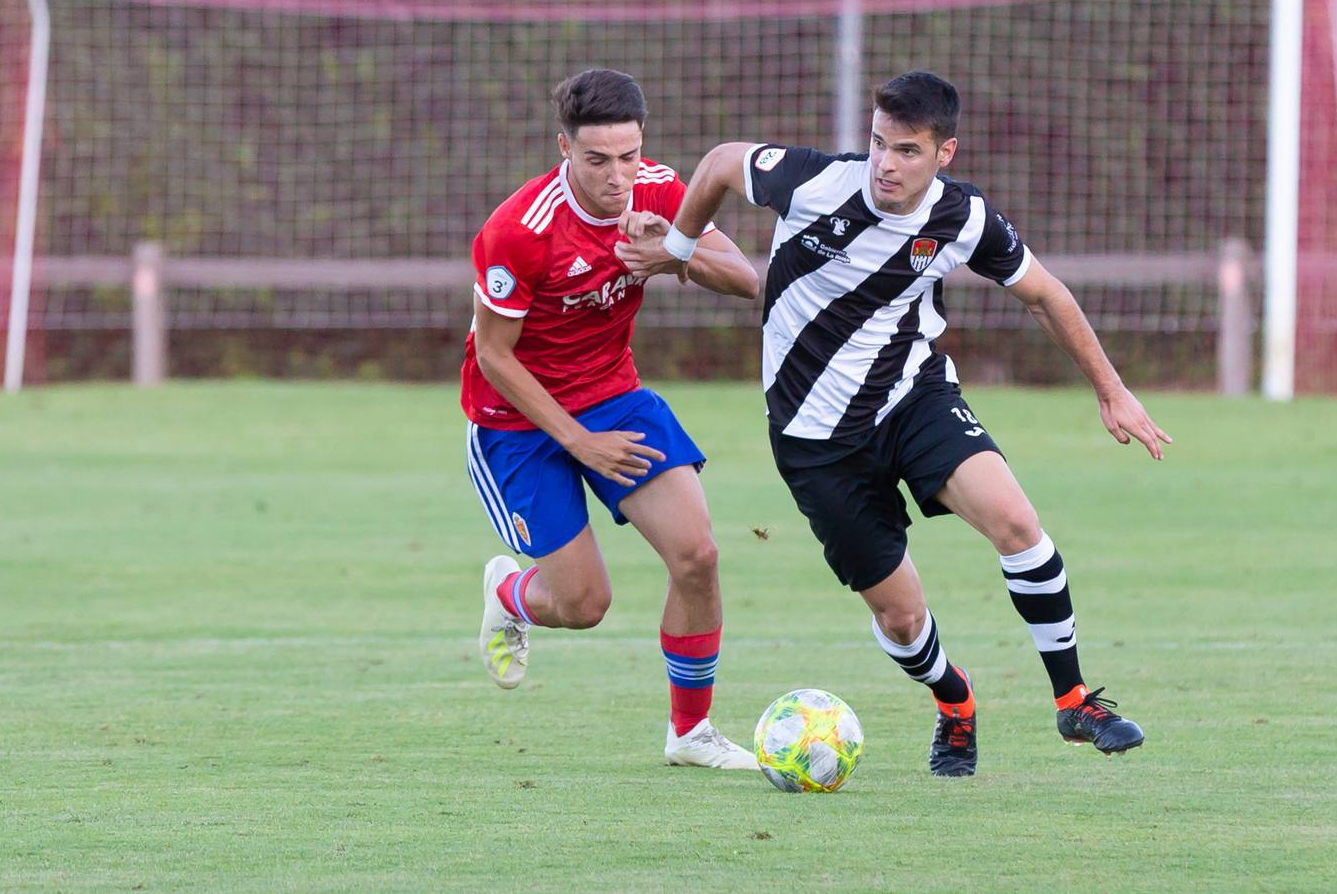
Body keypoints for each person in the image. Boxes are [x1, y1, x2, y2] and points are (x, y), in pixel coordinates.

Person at [618, 71, 1169, 776]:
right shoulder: (814, 183)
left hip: (912, 397)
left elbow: (1043, 293)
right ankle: (954, 700)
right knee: (902, 620)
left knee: (1016, 522)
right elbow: (724, 160)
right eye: (878, 143)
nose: (886, 163)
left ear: (944, 154)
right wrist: (684, 249)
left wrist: (1111, 391)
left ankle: (1073, 699)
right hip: (814, 442)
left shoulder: (962, 217)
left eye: (907, 150)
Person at [462, 69, 764, 768]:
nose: (617, 176)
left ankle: (689, 734)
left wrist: (671, 253)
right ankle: (508, 593)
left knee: (698, 557)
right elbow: (494, 356)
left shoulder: (659, 190)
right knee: (583, 604)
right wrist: (578, 442)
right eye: (597, 160)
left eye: (628, 155)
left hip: (613, 393)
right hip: (516, 421)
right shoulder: (517, 230)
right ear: (563, 147)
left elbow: (747, 280)